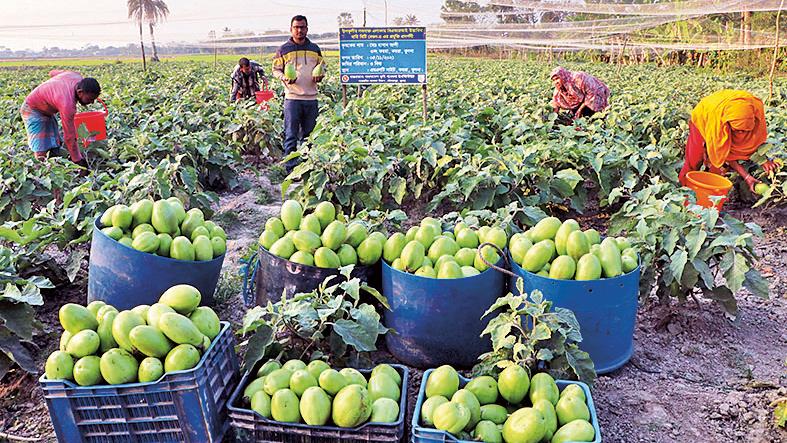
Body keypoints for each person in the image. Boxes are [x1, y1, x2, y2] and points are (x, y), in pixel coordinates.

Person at [678, 90, 777, 193]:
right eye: (738, 131)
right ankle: (682, 190)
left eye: (745, 131)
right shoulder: (718, 126)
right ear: (728, 125)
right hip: (704, 116)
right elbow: (725, 154)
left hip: (725, 110)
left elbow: (756, 140)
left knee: (719, 167)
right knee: (695, 158)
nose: (741, 134)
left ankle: (712, 192)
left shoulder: (755, 114)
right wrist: (747, 177)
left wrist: (763, 160)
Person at [272, 15, 326, 173]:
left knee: (310, 137)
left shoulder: (315, 49)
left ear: (307, 29)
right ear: (291, 29)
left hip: (311, 98)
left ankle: (308, 168)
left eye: (302, 27)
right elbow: (275, 70)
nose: (299, 30)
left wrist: (321, 75)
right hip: (292, 98)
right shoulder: (283, 49)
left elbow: (322, 66)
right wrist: (284, 77)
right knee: (291, 135)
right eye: (296, 27)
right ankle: (291, 171)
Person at [20, 70, 101, 169]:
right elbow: (70, 137)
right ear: (80, 92)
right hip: (32, 109)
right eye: (89, 99)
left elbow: (52, 73)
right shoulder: (67, 104)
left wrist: (53, 89)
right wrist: (78, 161)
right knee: (41, 146)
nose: (92, 102)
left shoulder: (75, 76)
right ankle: (39, 171)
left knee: (54, 141)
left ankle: (53, 167)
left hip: (46, 110)